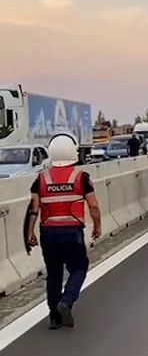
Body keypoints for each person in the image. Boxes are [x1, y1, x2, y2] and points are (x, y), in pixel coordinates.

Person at [26, 133, 102, 329]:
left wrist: (29, 233)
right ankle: (66, 301)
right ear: (73, 152)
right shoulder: (81, 177)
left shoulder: (41, 179)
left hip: (48, 233)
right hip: (72, 231)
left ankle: (54, 317)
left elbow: (33, 209)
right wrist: (97, 225)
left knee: (54, 274)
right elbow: (93, 206)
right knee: (79, 267)